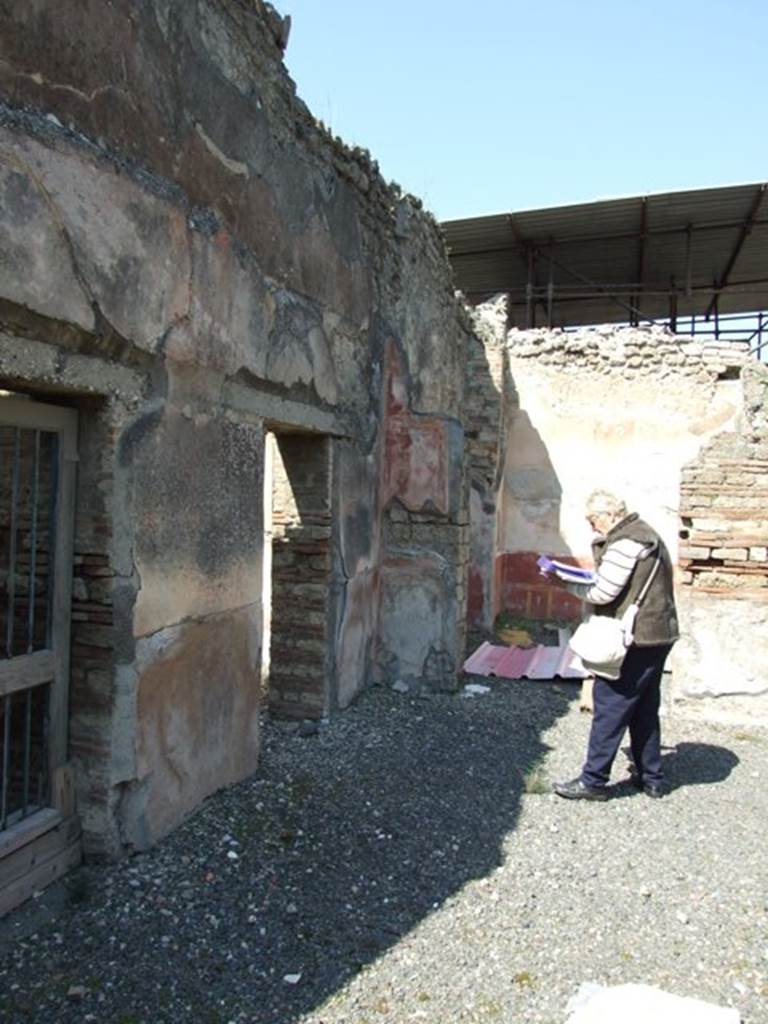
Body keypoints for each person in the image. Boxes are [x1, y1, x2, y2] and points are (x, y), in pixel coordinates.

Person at [546, 489, 679, 800]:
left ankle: (593, 781)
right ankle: (652, 777)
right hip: (658, 633)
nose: (593, 528)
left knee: (610, 704)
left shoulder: (626, 541)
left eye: (594, 520)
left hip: (635, 636)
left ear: (611, 515)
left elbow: (603, 593)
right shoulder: (645, 534)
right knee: (644, 706)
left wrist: (562, 582)